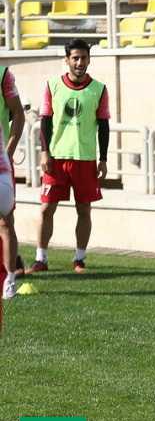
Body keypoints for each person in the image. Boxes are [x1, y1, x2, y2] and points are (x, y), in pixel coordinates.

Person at [26, 39, 110, 275]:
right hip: (56, 158)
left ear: (89, 59)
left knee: (84, 210)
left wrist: (103, 159)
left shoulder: (99, 89)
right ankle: (41, 259)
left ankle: (79, 259)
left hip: (85, 158)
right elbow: (45, 121)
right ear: (67, 60)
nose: (79, 62)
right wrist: (44, 152)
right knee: (46, 209)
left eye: (83, 57)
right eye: (75, 58)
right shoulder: (52, 85)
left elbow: (103, 126)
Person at [0, 65, 25, 298]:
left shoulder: (3, 75)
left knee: (5, 221)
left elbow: (18, 113)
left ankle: (10, 278)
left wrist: (8, 151)